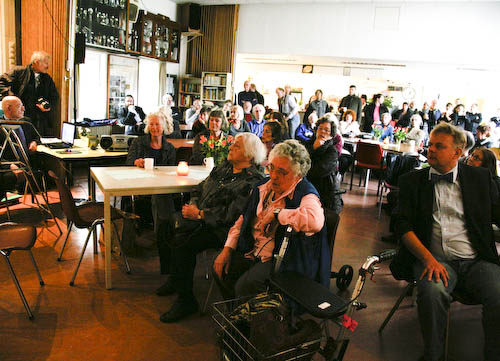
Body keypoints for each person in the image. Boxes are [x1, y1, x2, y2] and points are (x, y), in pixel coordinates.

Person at [391, 122, 500, 361]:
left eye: (439, 146)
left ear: (457, 153)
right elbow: (402, 226)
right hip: (434, 259)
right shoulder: (413, 181)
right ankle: (434, 354)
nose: (430, 149)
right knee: (431, 293)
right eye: (430, 144)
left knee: (498, 292)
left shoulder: (479, 178)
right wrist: (428, 259)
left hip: (475, 260)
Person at [160, 133, 266, 322]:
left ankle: (186, 300)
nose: (231, 147)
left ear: (249, 156)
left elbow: (233, 215)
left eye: (237, 146)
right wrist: (193, 206)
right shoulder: (224, 167)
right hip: (200, 217)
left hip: (224, 230)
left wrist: (200, 215)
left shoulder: (253, 181)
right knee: (165, 226)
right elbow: (199, 188)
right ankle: (176, 280)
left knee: (182, 242)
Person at [213, 140, 329, 300]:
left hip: (283, 260)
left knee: (247, 285)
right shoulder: (263, 187)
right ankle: (239, 315)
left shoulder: (305, 193)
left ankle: (256, 317)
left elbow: (315, 221)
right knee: (220, 268)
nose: (274, 176)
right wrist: (227, 249)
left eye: (282, 172)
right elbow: (242, 220)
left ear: (297, 175)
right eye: (272, 168)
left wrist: (278, 214)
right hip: (252, 249)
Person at [126, 112, 176, 277]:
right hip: (141, 187)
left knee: (162, 199)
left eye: (158, 124)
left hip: (161, 189)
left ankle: (164, 240)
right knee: (163, 205)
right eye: (152, 124)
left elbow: (171, 171)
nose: (154, 128)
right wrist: (136, 162)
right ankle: (166, 242)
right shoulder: (138, 142)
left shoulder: (169, 148)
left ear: (164, 127)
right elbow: (129, 161)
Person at [0, 51, 58, 136]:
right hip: (19, 117)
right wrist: (12, 98)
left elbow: (54, 96)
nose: (48, 66)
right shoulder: (19, 72)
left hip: (38, 120)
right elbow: (1, 83)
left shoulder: (47, 78)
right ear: (37, 62)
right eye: (46, 63)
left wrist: (48, 106)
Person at [306, 116, 343, 213]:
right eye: (320, 129)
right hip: (308, 190)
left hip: (326, 196)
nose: (322, 132)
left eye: (326, 130)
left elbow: (316, 172)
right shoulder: (307, 145)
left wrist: (316, 150)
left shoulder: (332, 151)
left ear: (331, 135)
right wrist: (313, 148)